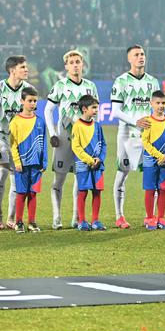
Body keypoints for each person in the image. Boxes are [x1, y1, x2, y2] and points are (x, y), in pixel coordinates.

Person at [43, 50, 98, 229]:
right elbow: (48, 110)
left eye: (78, 61)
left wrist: (92, 136)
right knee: (59, 179)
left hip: (83, 141)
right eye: (71, 62)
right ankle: (57, 217)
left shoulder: (91, 86)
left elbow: (94, 113)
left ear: (83, 64)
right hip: (64, 139)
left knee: (80, 179)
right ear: (66, 66)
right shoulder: (60, 85)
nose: (75, 65)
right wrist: (52, 133)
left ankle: (76, 217)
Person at [110, 45, 162, 229]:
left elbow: (158, 108)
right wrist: (135, 120)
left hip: (148, 134)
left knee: (152, 173)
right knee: (122, 172)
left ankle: (150, 216)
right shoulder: (121, 81)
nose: (141, 57)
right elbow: (115, 111)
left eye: (142, 54)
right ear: (129, 59)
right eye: (136, 55)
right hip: (126, 134)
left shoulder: (153, 82)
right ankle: (119, 216)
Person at [0, 55, 34, 229]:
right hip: (0, 136)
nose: (26, 70)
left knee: (17, 176)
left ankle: (11, 217)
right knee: (2, 171)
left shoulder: (29, 89)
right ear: (12, 70)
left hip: (20, 140)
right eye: (23, 67)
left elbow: (31, 117)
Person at [9, 87, 47, 234]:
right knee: (21, 193)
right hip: (22, 165)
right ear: (22, 101)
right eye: (29, 101)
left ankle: (32, 222)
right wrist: (17, 162)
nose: (32, 104)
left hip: (36, 164)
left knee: (33, 193)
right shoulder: (16, 122)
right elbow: (13, 144)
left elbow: (43, 143)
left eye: (35, 101)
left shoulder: (40, 121)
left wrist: (44, 161)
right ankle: (18, 222)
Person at [71, 95, 107, 232]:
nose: (96, 110)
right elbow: (76, 147)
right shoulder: (77, 126)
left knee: (97, 192)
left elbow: (103, 144)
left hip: (98, 165)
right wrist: (90, 160)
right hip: (83, 165)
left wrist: (100, 159)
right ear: (84, 109)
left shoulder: (97, 126)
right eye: (94, 108)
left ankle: (95, 220)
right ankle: (82, 221)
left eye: (97, 107)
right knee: (83, 191)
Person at [141, 90, 165, 230]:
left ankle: (161, 217)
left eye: (163, 103)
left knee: (163, 189)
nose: (161, 106)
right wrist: (159, 155)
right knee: (150, 189)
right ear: (151, 103)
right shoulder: (148, 121)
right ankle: (149, 218)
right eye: (158, 103)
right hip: (150, 160)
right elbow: (145, 142)